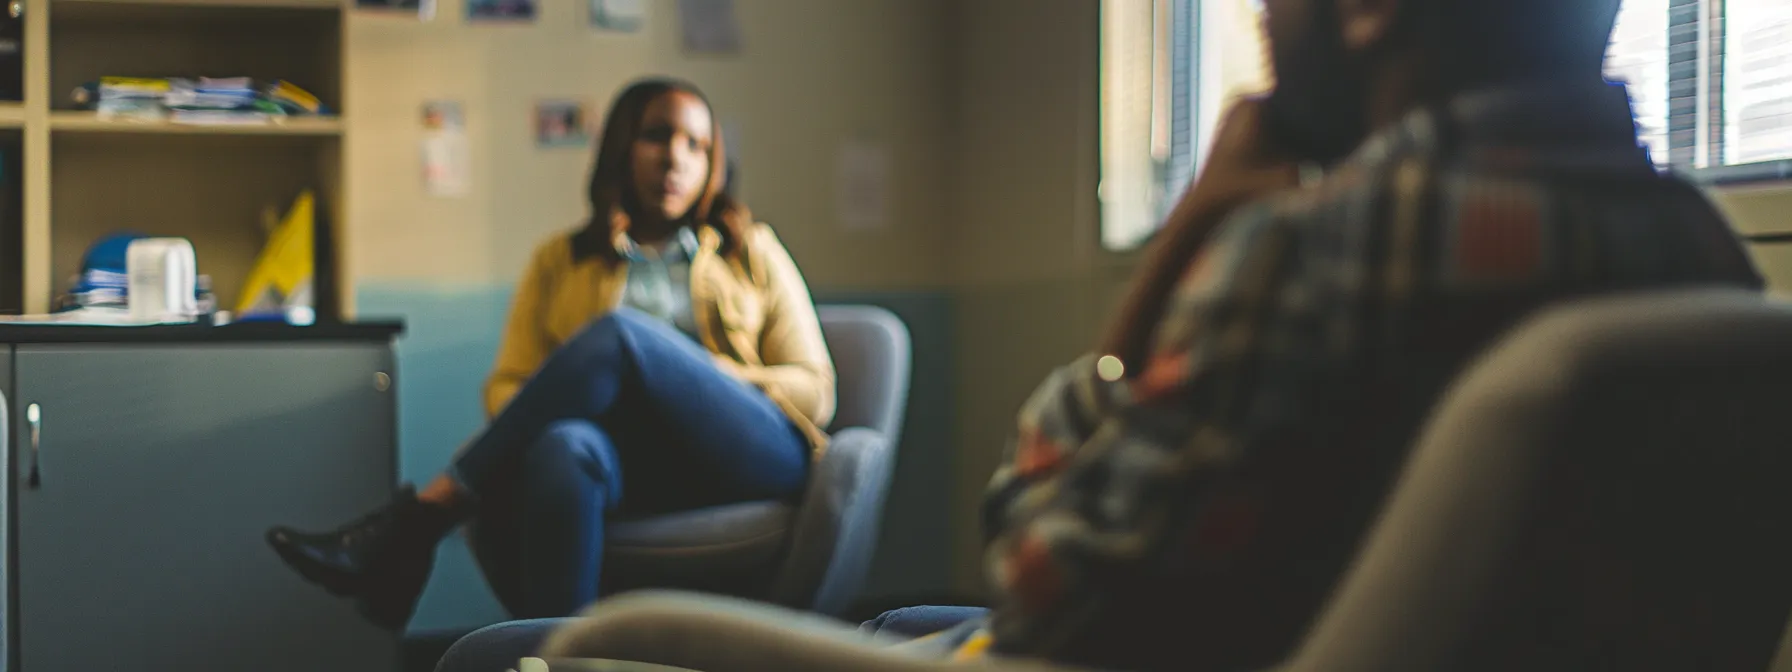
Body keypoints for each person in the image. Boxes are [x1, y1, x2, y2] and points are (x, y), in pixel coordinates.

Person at [436, 0, 1768, 669]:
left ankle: (432, 516)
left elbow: (1040, 578)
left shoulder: (1325, 251)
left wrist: (1191, 233)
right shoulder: (1705, 269)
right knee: (907, 614)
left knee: (503, 658)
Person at [266, 77, 835, 631]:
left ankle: (420, 521)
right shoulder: (561, 260)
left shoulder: (750, 249)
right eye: (657, 136)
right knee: (564, 445)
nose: (675, 159)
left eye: (697, 145)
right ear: (622, 147)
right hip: (632, 463)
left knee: (620, 336)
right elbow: (507, 385)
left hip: (745, 451)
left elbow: (816, 388)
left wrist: (714, 375)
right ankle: (555, 654)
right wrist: (563, 409)